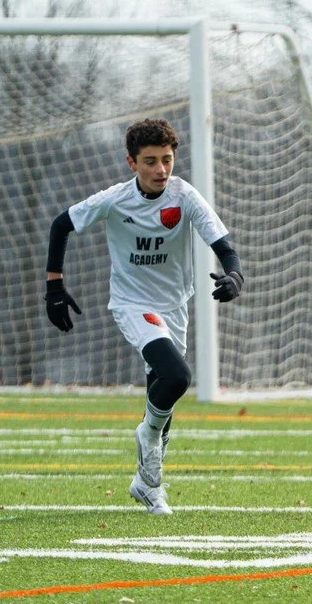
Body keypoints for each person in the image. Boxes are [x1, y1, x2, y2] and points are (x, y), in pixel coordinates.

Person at [43, 117, 244, 515]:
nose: (161, 169)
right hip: (133, 305)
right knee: (178, 377)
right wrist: (54, 287)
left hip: (174, 305)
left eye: (167, 159)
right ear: (131, 163)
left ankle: (148, 485)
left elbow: (223, 245)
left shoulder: (185, 197)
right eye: (150, 161)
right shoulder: (116, 199)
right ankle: (148, 438)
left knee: (162, 392)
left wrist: (235, 275)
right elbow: (61, 225)